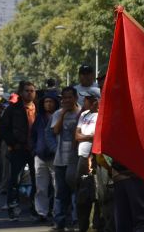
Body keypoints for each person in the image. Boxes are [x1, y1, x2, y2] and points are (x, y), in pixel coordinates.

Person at [0, 81, 37, 221]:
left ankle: (35, 208)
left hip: (35, 150)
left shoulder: (38, 108)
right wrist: (12, 143)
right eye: (27, 90)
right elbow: (3, 128)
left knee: (36, 181)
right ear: (21, 93)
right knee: (15, 180)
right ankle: (13, 207)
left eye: (32, 90)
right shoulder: (12, 109)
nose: (29, 93)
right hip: (18, 149)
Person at [50, 86, 81, 232]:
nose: (67, 100)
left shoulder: (82, 113)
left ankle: (76, 221)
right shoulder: (57, 113)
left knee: (76, 193)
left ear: (75, 98)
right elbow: (55, 131)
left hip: (77, 159)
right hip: (60, 159)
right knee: (61, 193)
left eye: (70, 97)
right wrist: (63, 114)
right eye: (64, 98)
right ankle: (60, 222)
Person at [32, 93, 59, 223]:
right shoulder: (39, 118)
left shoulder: (59, 116)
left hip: (55, 156)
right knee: (40, 187)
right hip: (40, 156)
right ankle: (41, 212)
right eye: (46, 102)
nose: (48, 104)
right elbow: (33, 134)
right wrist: (34, 150)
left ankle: (56, 212)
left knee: (57, 186)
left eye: (51, 101)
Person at [75, 90, 99, 232]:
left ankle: (94, 225)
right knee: (82, 194)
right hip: (82, 159)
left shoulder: (101, 116)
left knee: (95, 194)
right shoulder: (84, 114)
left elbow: (97, 137)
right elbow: (77, 135)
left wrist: (87, 137)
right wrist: (88, 136)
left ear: (95, 100)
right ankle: (83, 226)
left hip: (93, 159)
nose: (84, 102)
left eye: (87, 99)